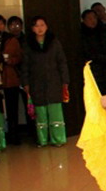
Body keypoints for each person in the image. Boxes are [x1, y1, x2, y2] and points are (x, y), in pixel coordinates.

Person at [20, 16, 69, 147]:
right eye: (36, 26)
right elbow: (25, 66)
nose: (40, 28)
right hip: (36, 83)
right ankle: (42, 139)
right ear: (32, 28)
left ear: (47, 26)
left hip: (54, 81)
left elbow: (62, 62)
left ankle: (58, 139)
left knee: (55, 110)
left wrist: (65, 80)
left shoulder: (54, 42)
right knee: (40, 112)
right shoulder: (28, 45)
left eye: (42, 25)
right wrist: (25, 83)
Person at [0, 14, 24, 145]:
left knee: (12, 108)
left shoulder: (11, 39)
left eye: (1, 24)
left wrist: (10, 60)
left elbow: (19, 57)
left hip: (10, 78)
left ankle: (14, 134)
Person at [80, 8, 106, 95]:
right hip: (95, 70)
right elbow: (88, 52)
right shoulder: (82, 35)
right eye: (89, 18)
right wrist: (105, 59)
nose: (93, 21)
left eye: (94, 18)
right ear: (84, 20)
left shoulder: (102, 31)